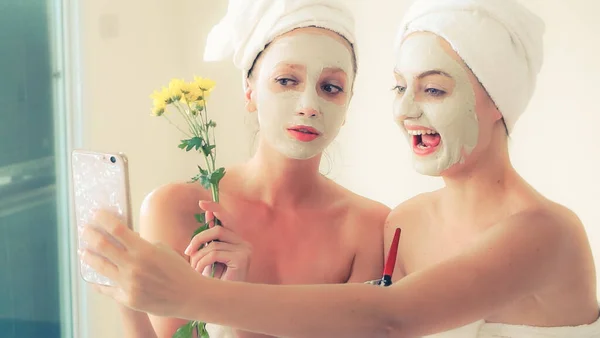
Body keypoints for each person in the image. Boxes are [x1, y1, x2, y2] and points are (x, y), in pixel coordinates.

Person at [82, 0, 600, 337]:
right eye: (399, 87)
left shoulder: (547, 232)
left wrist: (199, 294)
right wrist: (122, 288)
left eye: (435, 89)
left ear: (498, 102)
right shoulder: (405, 225)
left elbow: (389, 318)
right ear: (250, 88)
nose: (404, 110)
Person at [103, 1, 389, 337]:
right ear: (250, 91)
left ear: (348, 103)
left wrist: (225, 306)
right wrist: (123, 295)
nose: (309, 106)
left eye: (331, 87)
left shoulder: (370, 228)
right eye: (286, 80)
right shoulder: (177, 208)